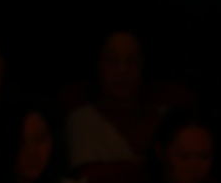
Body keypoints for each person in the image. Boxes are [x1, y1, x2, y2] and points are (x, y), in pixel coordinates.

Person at [65, 30, 166, 169]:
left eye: (131, 61)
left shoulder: (166, 122)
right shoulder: (81, 123)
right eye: (112, 61)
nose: (122, 70)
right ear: (98, 65)